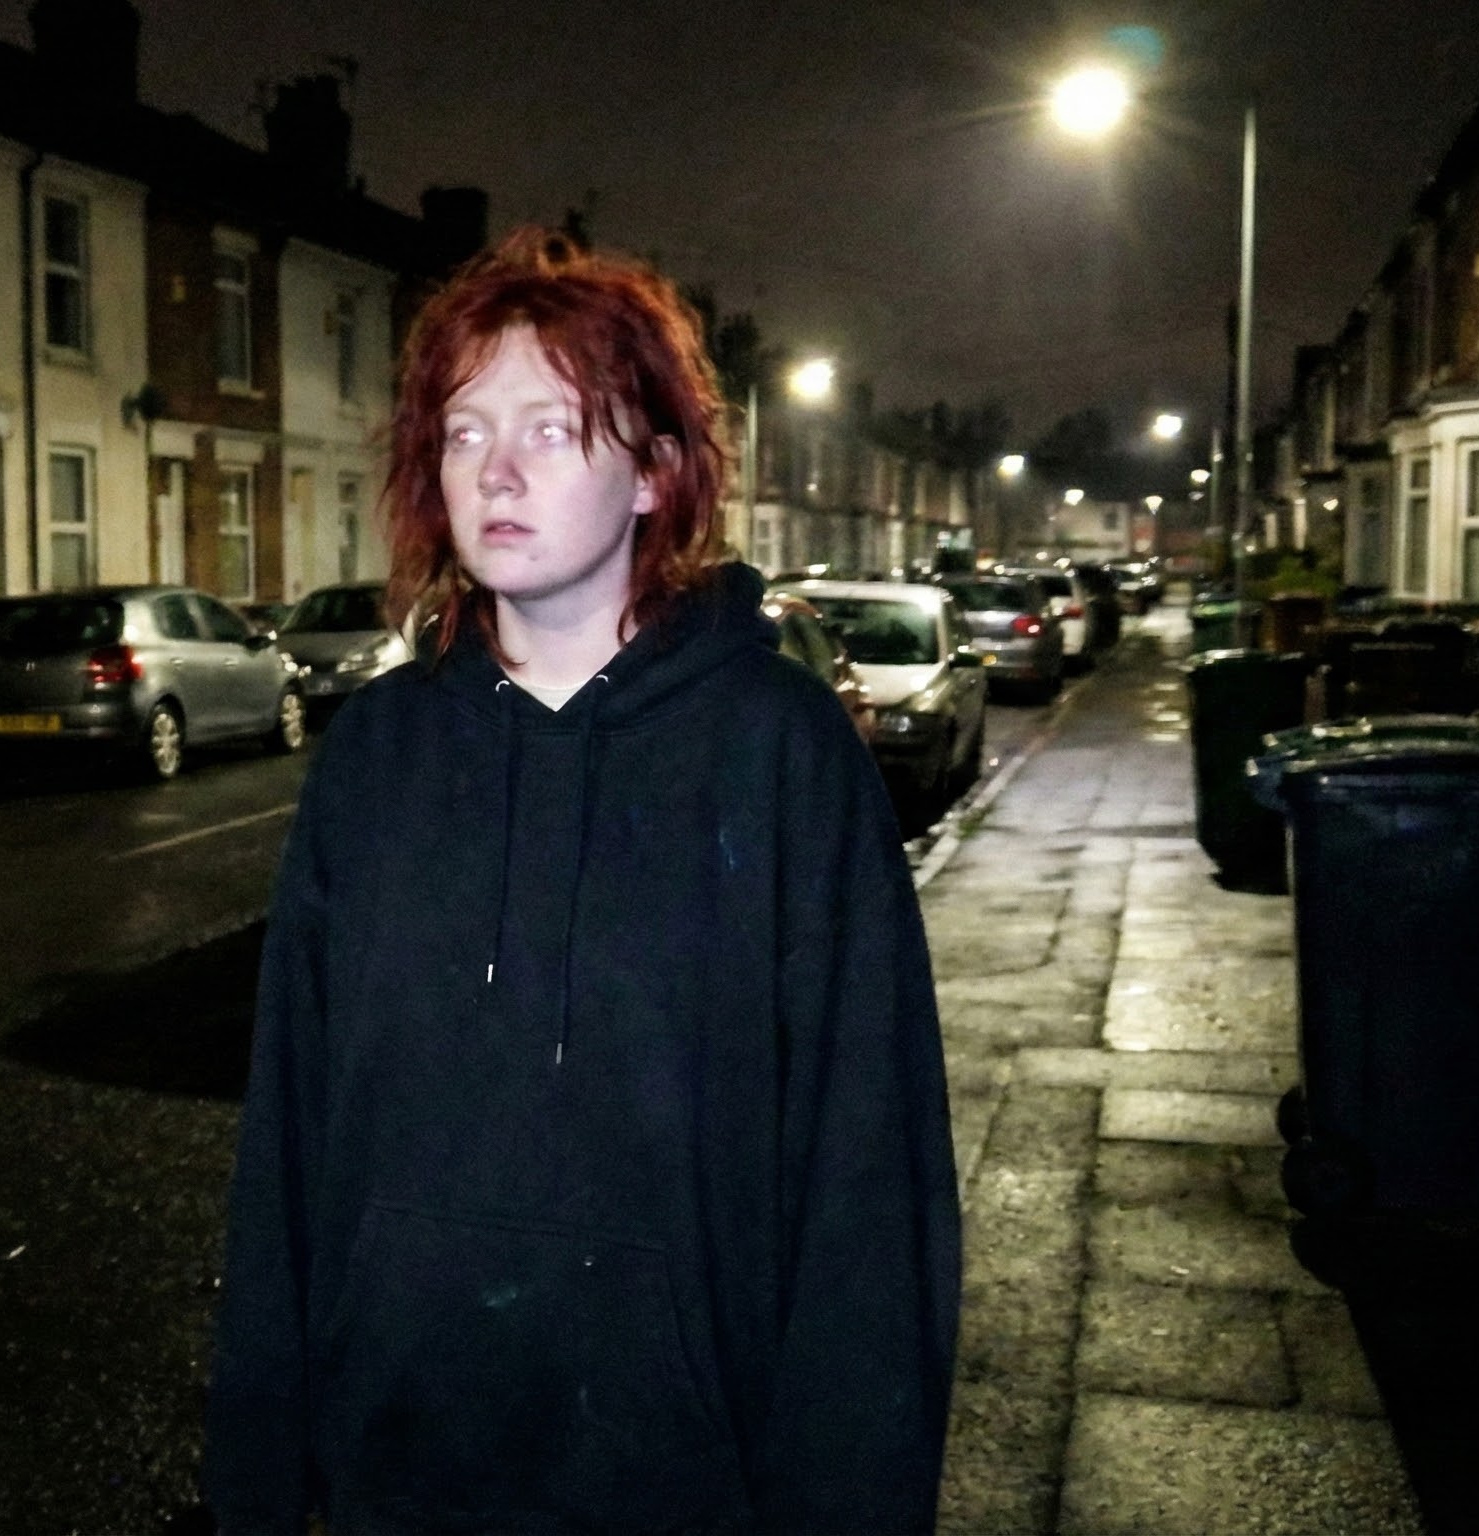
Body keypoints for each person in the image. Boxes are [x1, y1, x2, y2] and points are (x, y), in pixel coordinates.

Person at [202, 228, 960, 1535]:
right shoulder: (375, 759)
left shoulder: (778, 755)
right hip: (400, 1471)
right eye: (462, 431)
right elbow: (291, 1134)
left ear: (656, 471)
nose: (493, 469)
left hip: (682, 1482)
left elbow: (867, 1176)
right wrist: (261, 1477)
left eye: (549, 429)